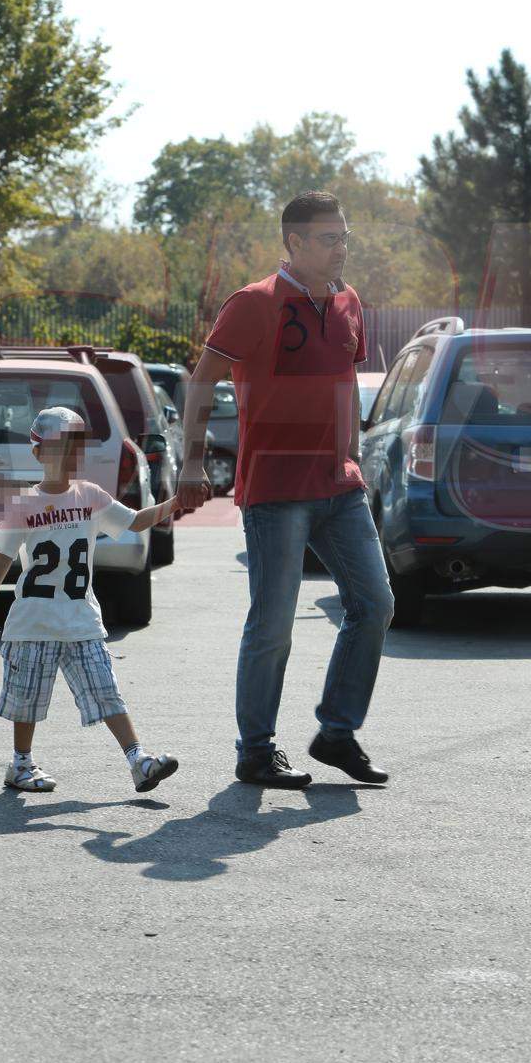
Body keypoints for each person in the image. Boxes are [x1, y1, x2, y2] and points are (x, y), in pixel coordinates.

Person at [177, 191, 395, 789]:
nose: (341, 248)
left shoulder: (349, 303)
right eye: (329, 238)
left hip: (339, 487)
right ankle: (256, 750)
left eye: (345, 236)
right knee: (273, 623)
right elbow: (201, 385)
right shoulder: (252, 304)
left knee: (374, 604)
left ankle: (336, 734)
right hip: (275, 488)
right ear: (294, 243)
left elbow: (345, 385)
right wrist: (191, 464)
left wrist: (353, 457)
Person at [0, 406, 180, 794]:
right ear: (38, 454)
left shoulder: (90, 496)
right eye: (60, 447)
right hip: (33, 621)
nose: (69, 456)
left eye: (75, 448)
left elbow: (133, 521)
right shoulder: (24, 504)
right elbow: (2, 556)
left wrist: (174, 503)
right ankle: (21, 764)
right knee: (26, 699)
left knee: (106, 690)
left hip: (81, 617)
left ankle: (139, 761)